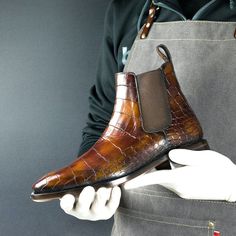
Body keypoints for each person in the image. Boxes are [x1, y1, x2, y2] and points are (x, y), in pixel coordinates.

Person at [59, 0, 236, 235]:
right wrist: (92, 183)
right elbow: (103, 119)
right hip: (136, 226)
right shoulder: (127, 9)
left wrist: (232, 186)